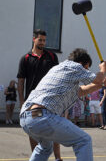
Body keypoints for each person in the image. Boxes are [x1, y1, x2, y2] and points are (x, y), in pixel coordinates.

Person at [19, 48, 106, 161]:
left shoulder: (58, 69)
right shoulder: (75, 66)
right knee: (83, 140)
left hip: (28, 116)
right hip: (43, 116)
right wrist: (104, 69)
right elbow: (97, 79)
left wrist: (101, 84)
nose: (86, 72)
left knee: (45, 148)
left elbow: (81, 91)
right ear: (82, 64)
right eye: (86, 69)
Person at [17, 29, 62, 161]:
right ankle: (36, 157)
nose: (43, 42)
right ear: (34, 39)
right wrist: (22, 103)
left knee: (54, 128)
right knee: (34, 130)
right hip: (33, 104)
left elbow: (58, 77)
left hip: (50, 102)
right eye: (40, 40)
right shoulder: (25, 58)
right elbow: (21, 83)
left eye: (44, 40)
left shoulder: (52, 57)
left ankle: (58, 158)